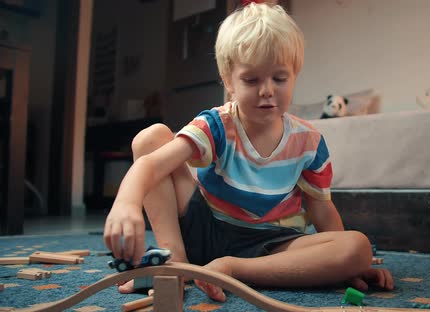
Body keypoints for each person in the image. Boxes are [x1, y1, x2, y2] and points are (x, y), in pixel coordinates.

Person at [103, 2, 393, 302]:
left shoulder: (310, 142)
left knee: (357, 247)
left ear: (295, 75)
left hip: (273, 245)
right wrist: (126, 202)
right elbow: (150, 163)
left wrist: (344, 266)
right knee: (150, 138)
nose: (267, 90)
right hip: (208, 228)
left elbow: (322, 211)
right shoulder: (217, 124)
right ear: (228, 81)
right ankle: (176, 262)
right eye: (252, 80)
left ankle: (233, 269)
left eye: (279, 78)